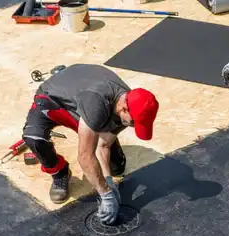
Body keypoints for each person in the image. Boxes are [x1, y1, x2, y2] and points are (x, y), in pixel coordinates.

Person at [22, 63, 159, 224]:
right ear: (124, 108)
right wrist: (105, 194)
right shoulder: (97, 102)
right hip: (53, 100)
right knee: (33, 138)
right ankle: (59, 172)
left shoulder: (131, 104)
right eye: (133, 123)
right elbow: (85, 156)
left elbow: (103, 145)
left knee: (117, 168)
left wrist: (108, 180)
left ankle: (104, 162)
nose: (133, 126)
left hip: (86, 103)